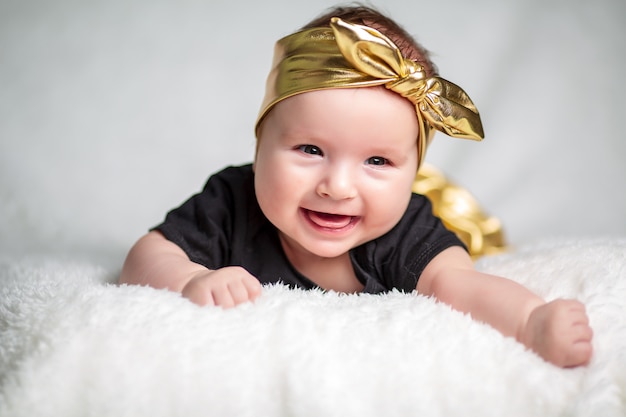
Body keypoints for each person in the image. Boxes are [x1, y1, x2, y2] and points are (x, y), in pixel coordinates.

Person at [119, 5, 593, 368]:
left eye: (378, 161)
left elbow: (462, 287)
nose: (338, 186)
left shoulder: (407, 230)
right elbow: (146, 255)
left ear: (412, 172)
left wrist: (531, 321)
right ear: (261, 139)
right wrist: (189, 280)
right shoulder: (231, 201)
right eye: (310, 150)